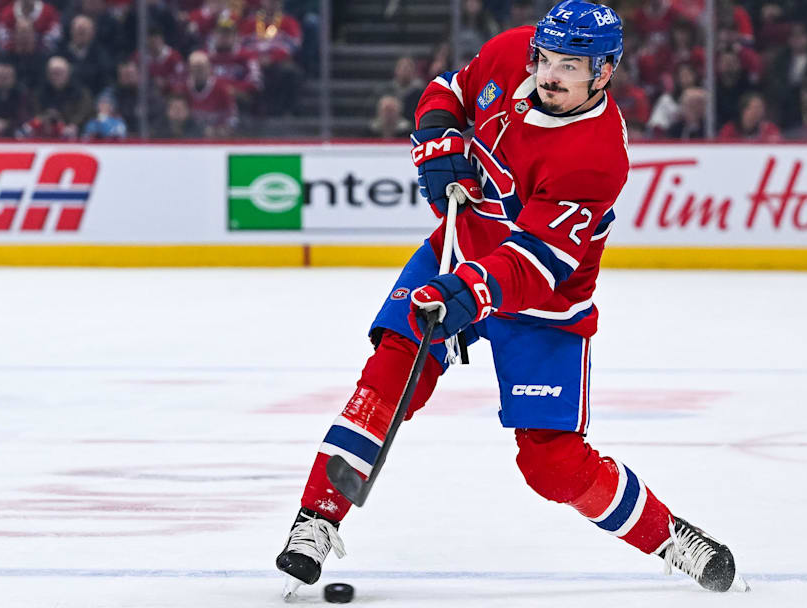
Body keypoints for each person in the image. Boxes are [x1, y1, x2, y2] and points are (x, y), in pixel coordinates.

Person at [274, 0, 746, 599]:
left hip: (541, 305)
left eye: (569, 66)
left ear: (603, 73)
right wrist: (438, 138)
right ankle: (316, 517)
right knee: (389, 376)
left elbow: (537, 264)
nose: (549, 74)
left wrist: (469, 290)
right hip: (457, 250)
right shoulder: (507, 54)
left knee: (552, 465)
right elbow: (448, 88)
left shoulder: (597, 156)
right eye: (545, 58)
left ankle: (669, 536)